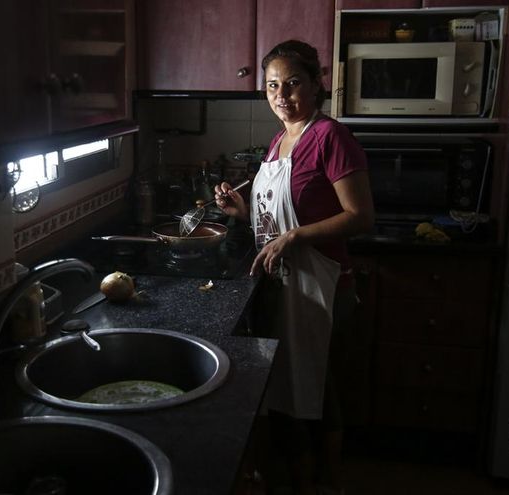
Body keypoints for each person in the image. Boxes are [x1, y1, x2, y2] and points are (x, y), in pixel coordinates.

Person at [214, 40, 373, 495]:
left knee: (319, 390)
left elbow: (360, 216)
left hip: (322, 286)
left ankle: (329, 484)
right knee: (291, 386)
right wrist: (241, 210)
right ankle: (302, 479)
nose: (282, 94)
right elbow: (277, 218)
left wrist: (294, 237)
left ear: (316, 84)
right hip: (283, 285)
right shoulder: (278, 140)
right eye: (272, 85)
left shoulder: (330, 136)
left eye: (293, 83)